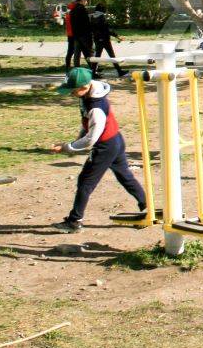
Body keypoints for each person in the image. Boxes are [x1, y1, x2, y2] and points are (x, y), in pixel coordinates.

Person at [49, 67, 148, 233]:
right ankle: (147, 207)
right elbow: (87, 126)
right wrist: (76, 140)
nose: (71, 94)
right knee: (125, 176)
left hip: (105, 146)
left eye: (73, 91)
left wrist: (68, 147)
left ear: (84, 87)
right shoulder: (88, 95)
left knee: (85, 182)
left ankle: (74, 221)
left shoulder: (96, 107)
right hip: (115, 140)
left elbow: (91, 138)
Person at [89, 5, 125, 78]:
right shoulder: (102, 17)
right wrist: (117, 36)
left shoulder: (92, 17)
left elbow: (91, 29)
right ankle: (119, 71)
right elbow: (107, 30)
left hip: (97, 39)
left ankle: (93, 73)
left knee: (97, 56)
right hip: (105, 39)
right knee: (112, 55)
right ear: (102, 10)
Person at [69, 0, 93, 68]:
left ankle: (77, 69)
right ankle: (93, 68)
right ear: (83, 0)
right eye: (86, 1)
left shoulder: (72, 10)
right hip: (84, 35)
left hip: (76, 35)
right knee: (88, 52)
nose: (86, 2)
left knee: (77, 53)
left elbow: (72, 23)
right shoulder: (82, 9)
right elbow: (86, 23)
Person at [62, 1, 77, 69]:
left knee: (70, 51)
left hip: (70, 34)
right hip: (74, 34)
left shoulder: (68, 14)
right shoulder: (72, 14)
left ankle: (68, 65)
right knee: (74, 51)